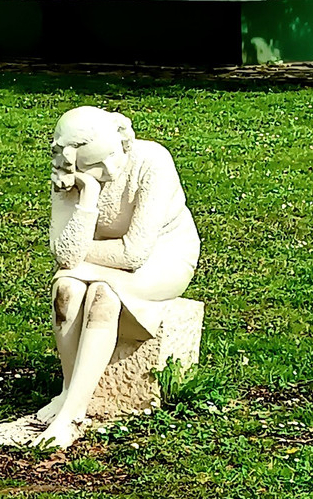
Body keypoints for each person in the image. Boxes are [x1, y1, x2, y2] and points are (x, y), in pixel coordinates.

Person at [36, 106, 200, 448]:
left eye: (113, 154)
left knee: (103, 296)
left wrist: (81, 254)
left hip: (163, 258)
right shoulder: (66, 177)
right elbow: (64, 256)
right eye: (96, 165)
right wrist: (89, 197)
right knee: (65, 288)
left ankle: (73, 415)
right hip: (110, 260)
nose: (111, 167)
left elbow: (134, 253)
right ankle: (69, 391)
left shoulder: (152, 161)